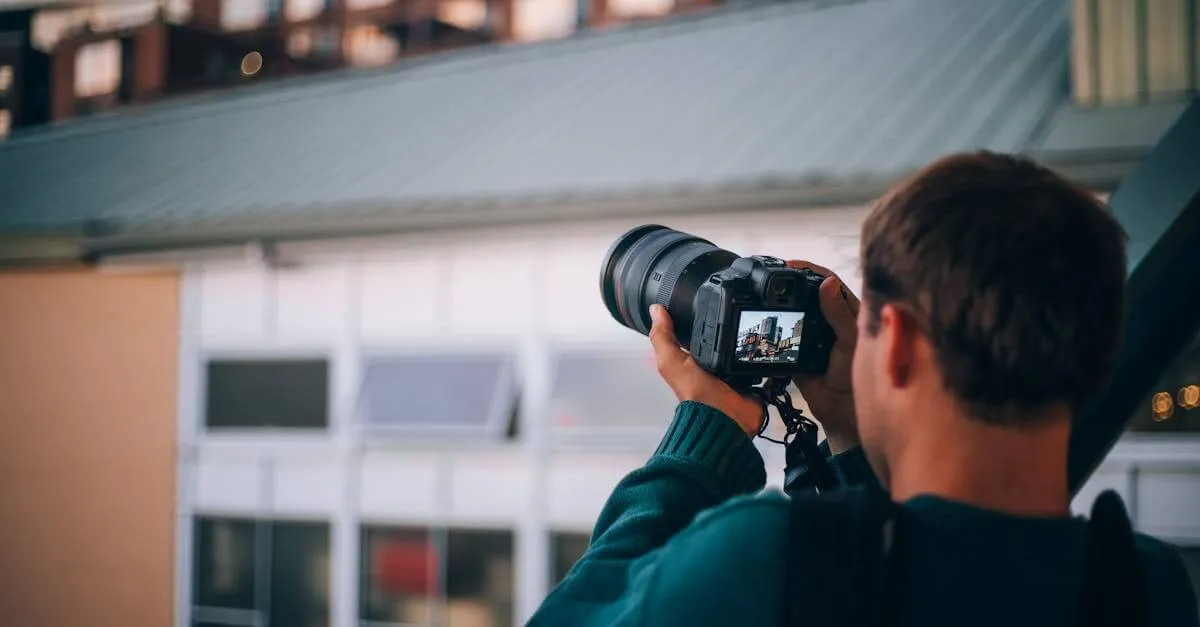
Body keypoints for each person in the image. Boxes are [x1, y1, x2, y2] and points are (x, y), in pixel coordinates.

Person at [528, 152, 1200, 627]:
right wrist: (851, 434)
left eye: (869, 327)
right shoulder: (1145, 588)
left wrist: (698, 443)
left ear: (898, 343)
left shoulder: (767, 558)